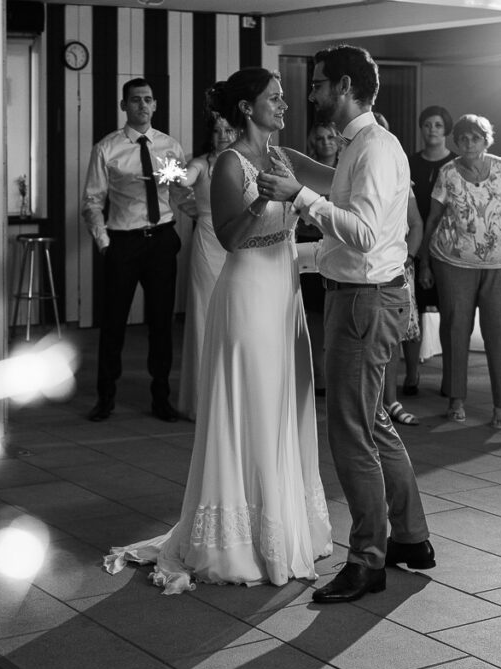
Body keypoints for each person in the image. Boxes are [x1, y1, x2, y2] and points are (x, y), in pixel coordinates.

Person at [103, 67, 334, 594]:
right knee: (253, 401)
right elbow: (230, 237)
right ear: (247, 109)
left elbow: (338, 180)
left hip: (285, 292)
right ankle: (242, 538)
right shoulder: (229, 162)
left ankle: (286, 522)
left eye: (284, 97)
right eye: (274, 98)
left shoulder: (285, 156)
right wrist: (263, 199)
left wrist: (368, 146)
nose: (284, 105)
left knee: (286, 402)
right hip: (248, 291)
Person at [284, 45, 433, 603]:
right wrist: (290, 163)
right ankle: (411, 538)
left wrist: (299, 197)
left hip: (363, 303)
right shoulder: (363, 144)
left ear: (345, 87)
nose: (312, 93)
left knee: (350, 432)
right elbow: (338, 189)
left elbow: (365, 234)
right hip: (366, 297)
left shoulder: (371, 146)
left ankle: (368, 559)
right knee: (372, 423)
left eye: (319, 83)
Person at [83, 78, 196, 423]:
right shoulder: (107, 148)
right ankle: (105, 397)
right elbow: (92, 202)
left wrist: (206, 216)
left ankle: (161, 398)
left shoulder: (169, 146)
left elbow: (179, 195)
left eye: (147, 100)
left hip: (161, 239)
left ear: (155, 105)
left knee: (162, 323)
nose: (142, 106)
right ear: (124, 106)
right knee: (114, 323)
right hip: (123, 242)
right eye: (135, 100)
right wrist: (104, 244)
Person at [417, 114, 501, 428]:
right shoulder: (447, 172)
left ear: (486, 140)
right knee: (455, 329)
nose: (469, 143)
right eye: (463, 138)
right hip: (453, 262)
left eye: (476, 138)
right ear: (456, 142)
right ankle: (456, 399)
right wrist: (424, 263)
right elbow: (432, 219)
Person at [176, 111, 237, 420]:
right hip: (207, 242)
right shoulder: (200, 163)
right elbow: (183, 180)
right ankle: (203, 399)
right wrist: (172, 172)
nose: (222, 135)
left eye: (227, 129)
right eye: (217, 130)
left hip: (237, 242)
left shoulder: (243, 162)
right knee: (204, 314)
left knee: (235, 317)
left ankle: (233, 395)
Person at [374, 111, 424, 426]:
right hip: (363, 266)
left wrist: (408, 258)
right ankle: (370, 403)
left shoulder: (400, 174)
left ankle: (390, 400)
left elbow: (415, 223)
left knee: (392, 337)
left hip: (396, 265)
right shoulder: (346, 170)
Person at [408, 105, 456, 395]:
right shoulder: (411, 162)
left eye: (438, 125)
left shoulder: (455, 164)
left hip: (446, 246)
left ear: (446, 129)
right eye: (427, 124)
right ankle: (411, 374)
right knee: (412, 312)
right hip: (414, 242)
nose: (432, 130)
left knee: (449, 316)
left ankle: (449, 378)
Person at [298, 121, 341, 396]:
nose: (326, 142)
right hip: (308, 242)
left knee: (336, 312)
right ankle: (318, 374)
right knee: (314, 313)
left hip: (337, 244)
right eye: (320, 138)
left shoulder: (347, 168)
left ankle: (336, 374)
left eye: (330, 137)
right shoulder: (305, 169)